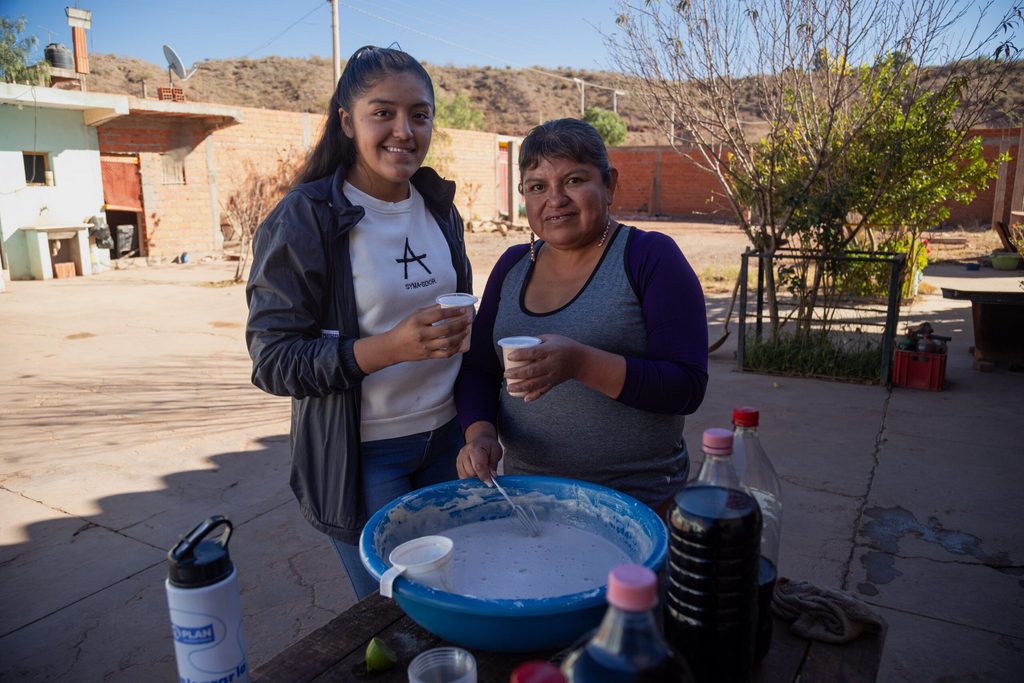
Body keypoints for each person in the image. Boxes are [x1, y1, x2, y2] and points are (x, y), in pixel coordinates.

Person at [246, 45, 473, 599]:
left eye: (419, 114)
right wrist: (389, 347)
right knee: (395, 615)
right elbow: (273, 361)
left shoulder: (438, 207)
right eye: (383, 113)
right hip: (366, 454)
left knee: (456, 593)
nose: (404, 130)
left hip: (447, 442)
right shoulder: (305, 218)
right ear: (347, 121)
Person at [454, 118, 707, 514]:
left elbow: (686, 386)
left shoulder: (649, 257)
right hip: (528, 496)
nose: (554, 199)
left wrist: (580, 363)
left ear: (609, 185)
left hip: (635, 502)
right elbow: (480, 371)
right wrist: (481, 434)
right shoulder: (513, 265)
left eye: (573, 180)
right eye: (537, 187)